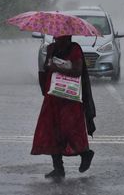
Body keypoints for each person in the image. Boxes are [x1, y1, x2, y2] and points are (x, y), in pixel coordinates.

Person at [31, 35, 96, 180]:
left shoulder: (75, 49)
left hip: (70, 98)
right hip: (53, 97)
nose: (58, 40)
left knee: (70, 129)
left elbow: (78, 70)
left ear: (68, 37)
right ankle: (58, 168)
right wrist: (49, 67)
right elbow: (45, 68)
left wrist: (58, 67)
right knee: (52, 131)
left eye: (61, 38)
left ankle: (85, 153)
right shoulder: (51, 49)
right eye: (56, 37)